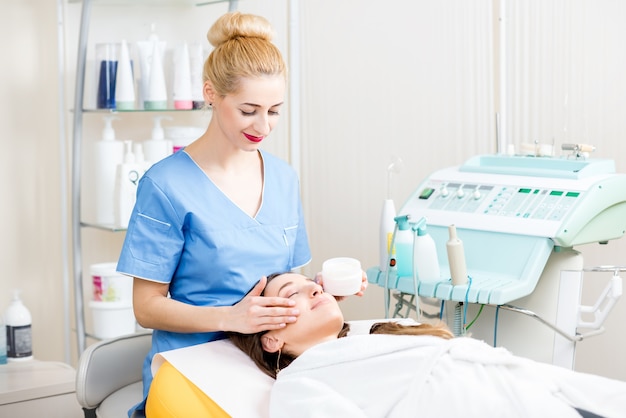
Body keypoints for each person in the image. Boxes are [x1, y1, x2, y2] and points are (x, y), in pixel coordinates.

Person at [116, 12, 315, 417]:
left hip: (268, 367)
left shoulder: (283, 178)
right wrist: (232, 318)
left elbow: (292, 279)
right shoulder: (167, 185)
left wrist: (322, 292)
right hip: (193, 369)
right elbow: (146, 307)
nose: (264, 125)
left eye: (274, 110)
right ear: (211, 93)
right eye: (248, 110)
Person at [228, 272, 626, 418]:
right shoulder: (297, 383)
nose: (313, 287)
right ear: (272, 337)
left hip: (521, 386)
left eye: (310, 283)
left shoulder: (382, 333)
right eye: (290, 293)